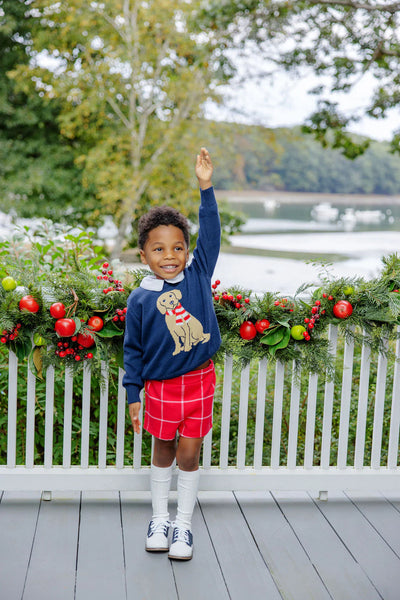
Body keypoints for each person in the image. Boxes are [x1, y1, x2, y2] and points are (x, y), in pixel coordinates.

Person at [123, 147, 221, 561]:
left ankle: (183, 524)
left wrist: (205, 187)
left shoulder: (198, 274)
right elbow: (133, 349)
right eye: (159, 250)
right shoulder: (141, 298)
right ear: (144, 255)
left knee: (188, 453)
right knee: (162, 449)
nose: (170, 256)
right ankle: (159, 518)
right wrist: (132, 394)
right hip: (160, 387)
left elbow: (211, 232)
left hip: (198, 380)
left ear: (187, 251)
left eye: (178, 248)